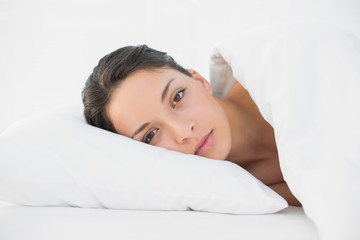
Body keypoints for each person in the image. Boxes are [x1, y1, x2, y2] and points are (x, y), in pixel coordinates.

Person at [82, 44, 301, 206]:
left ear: (199, 80)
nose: (183, 132)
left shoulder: (280, 71)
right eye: (151, 135)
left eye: (177, 97)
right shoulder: (254, 195)